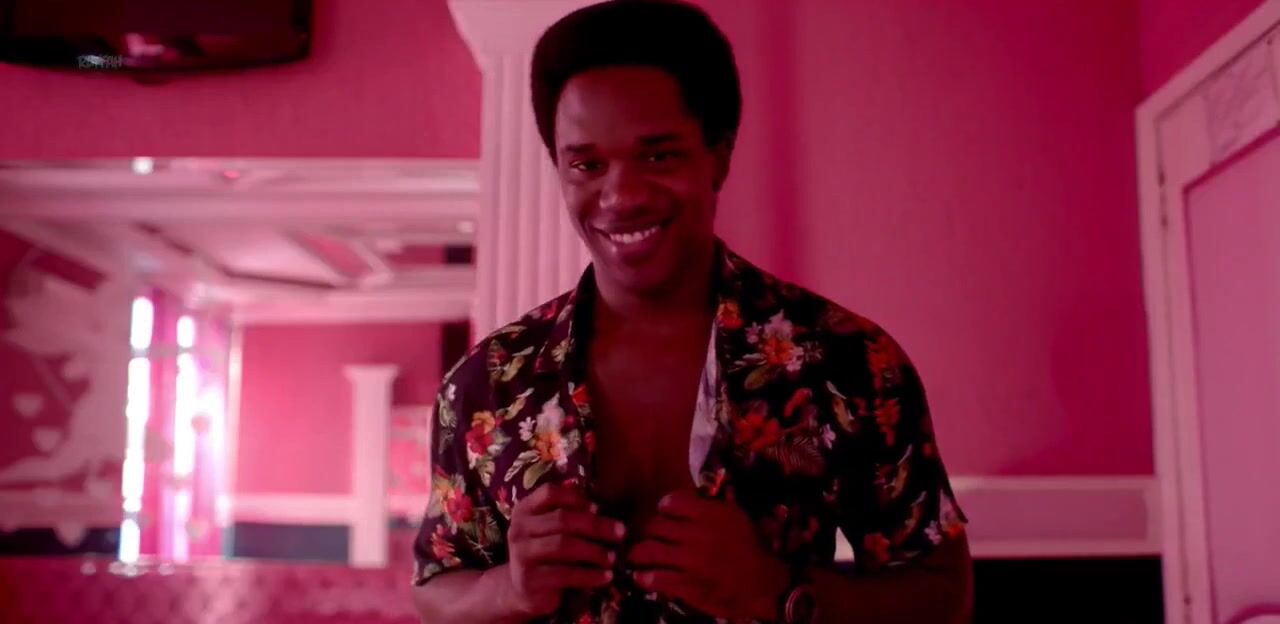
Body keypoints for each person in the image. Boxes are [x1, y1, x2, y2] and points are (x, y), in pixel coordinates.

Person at [411, 1, 972, 622]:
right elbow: (436, 591)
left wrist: (777, 592)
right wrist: (510, 590)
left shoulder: (849, 362)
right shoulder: (487, 385)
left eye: (659, 156)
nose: (620, 196)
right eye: (587, 164)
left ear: (719, 156)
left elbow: (943, 596)